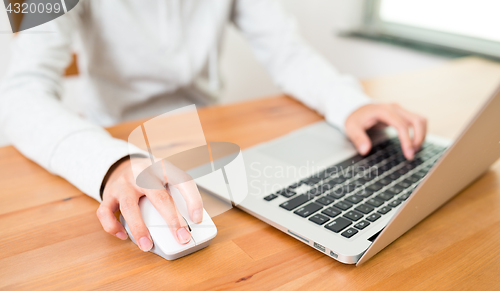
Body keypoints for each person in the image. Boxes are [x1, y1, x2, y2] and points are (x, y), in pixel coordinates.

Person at [0, 0, 427, 252]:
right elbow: (20, 93)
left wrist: (350, 103)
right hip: (112, 143)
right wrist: (111, 162)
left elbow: (287, 51)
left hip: (206, 138)